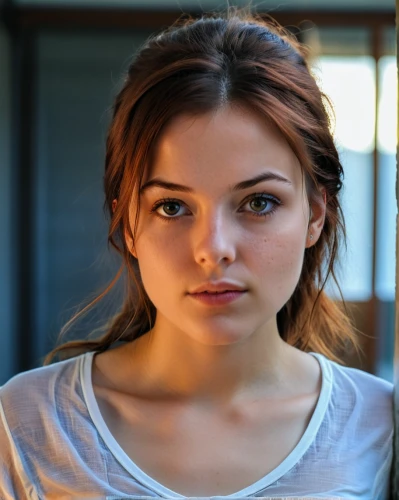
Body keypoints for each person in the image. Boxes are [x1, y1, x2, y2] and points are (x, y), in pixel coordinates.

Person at [0, 8, 393, 500]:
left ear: (315, 214)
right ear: (127, 223)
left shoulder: (380, 426)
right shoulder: (27, 425)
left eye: (259, 203)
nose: (213, 249)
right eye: (172, 206)